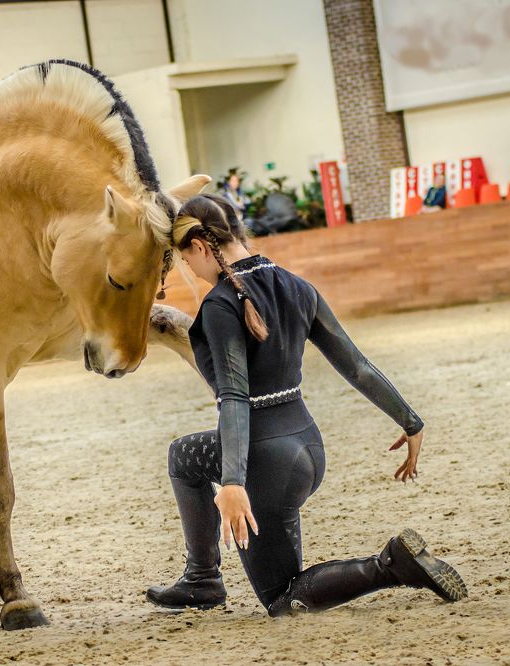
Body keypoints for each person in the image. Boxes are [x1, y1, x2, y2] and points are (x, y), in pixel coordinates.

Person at [146, 194, 467, 616]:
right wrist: (411, 422)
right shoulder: (296, 285)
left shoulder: (221, 305)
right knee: (184, 455)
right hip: (307, 448)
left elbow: (235, 398)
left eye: (187, 261)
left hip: (265, 466)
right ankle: (202, 579)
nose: (191, 270)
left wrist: (233, 481)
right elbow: (357, 365)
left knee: (284, 599)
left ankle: (392, 564)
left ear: (202, 248)